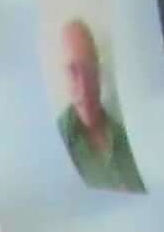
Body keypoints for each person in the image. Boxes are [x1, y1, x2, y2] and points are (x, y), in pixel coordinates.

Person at [55, 16, 142, 192]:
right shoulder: (53, 145)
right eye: (73, 70)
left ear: (99, 72)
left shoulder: (129, 139)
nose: (83, 86)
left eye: (89, 69)